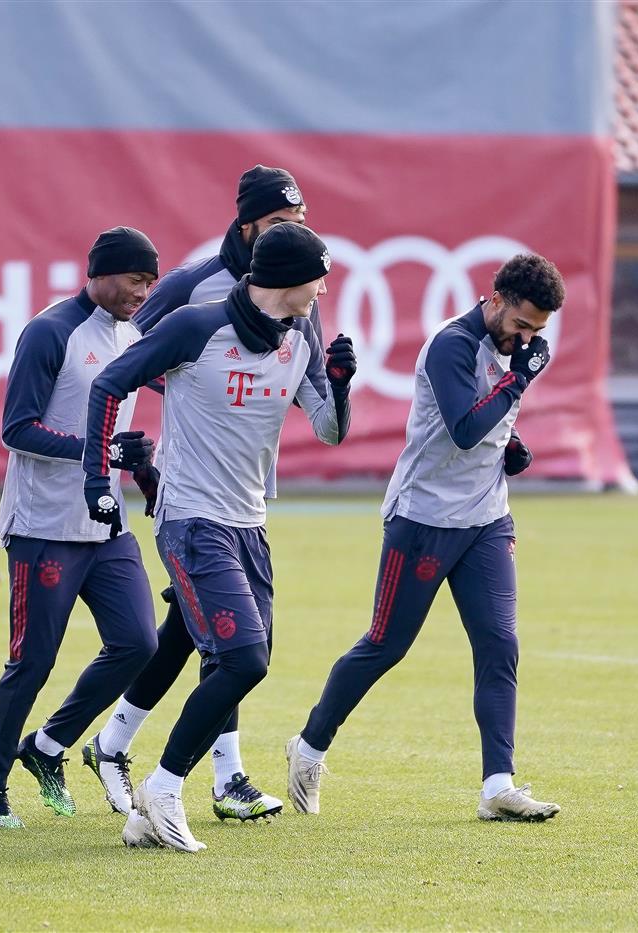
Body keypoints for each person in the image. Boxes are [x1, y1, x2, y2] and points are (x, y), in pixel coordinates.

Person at [83, 222, 354, 851]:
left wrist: (339, 382)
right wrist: (100, 476)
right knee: (243, 658)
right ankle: (165, 786)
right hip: (191, 519)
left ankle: (128, 779)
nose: (323, 287)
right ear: (289, 277)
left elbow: (330, 430)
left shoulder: (299, 340)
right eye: (319, 274)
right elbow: (109, 384)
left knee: (231, 659)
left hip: (249, 524)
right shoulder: (195, 326)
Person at [286, 253, 564, 823]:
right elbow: (462, 429)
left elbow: (488, 424)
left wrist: (509, 446)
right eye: (521, 325)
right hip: (423, 519)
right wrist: (517, 384)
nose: (527, 339)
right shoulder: (451, 344)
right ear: (497, 299)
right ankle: (309, 746)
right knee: (386, 645)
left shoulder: (514, 351)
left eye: (538, 331)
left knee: (499, 644)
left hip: (485, 520)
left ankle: (497, 787)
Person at [0, 228, 162, 828]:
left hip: (106, 523)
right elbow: (17, 428)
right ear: (99, 273)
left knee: (139, 643)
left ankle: (47, 746)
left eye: (150, 283)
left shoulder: (135, 335)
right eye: (135, 280)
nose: (142, 293)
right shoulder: (51, 331)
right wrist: (102, 448)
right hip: (44, 524)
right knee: (32, 663)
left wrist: (140, 464)